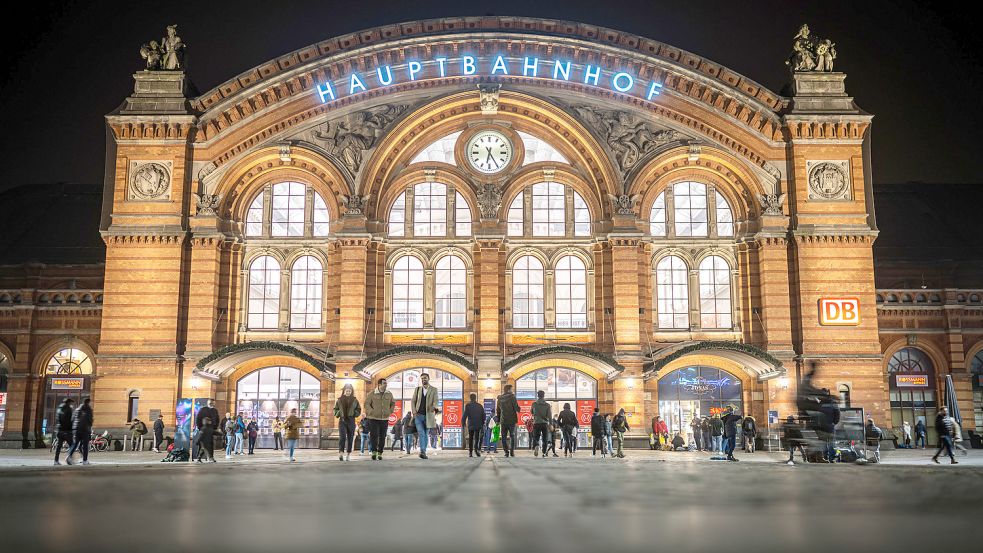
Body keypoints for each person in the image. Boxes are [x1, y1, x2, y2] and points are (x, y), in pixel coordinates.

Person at [364, 377, 395, 461]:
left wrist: (390, 411)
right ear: (379, 384)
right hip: (373, 418)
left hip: (384, 419)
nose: (386, 385)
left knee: (382, 436)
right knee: (374, 435)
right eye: (384, 383)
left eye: (386, 383)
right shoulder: (372, 393)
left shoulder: (389, 394)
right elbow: (366, 404)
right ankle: (374, 451)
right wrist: (371, 411)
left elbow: (393, 403)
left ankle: (380, 452)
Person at [410, 373, 439, 459]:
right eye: (422, 378)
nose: (423, 380)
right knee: (421, 433)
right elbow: (413, 401)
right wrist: (414, 412)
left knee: (426, 434)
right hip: (418, 416)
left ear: (428, 379)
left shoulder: (434, 390)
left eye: (425, 378)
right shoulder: (417, 389)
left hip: (429, 416)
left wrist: (434, 407)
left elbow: (436, 401)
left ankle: (424, 451)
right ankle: (422, 451)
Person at [333, 383, 361, 461]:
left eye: (349, 391)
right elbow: (335, 409)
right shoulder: (339, 400)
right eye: (347, 391)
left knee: (350, 438)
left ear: (351, 391)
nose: (348, 392)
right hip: (342, 420)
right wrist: (338, 413)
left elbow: (358, 409)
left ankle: (348, 454)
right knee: (342, 437)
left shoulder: (355, 400)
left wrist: (354, 414)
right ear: (344, 391)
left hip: (351, 420)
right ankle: (341, 453)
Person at [65, 398, 93, 465]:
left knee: (75, 444)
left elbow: (72, 419)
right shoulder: (88, 410)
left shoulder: (77, 409)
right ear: (88, 402)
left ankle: (69, 456)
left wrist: (73, 428)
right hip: (84, 430)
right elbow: (90, 421)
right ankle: (85, 460)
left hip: (76, 429)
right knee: (85, 445)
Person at [496, 384, 521, 457]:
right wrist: (519, 409)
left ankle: (506, 452)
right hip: (512, 420)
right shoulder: (512, 397)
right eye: (511, 389)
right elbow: (516, 408)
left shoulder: (500, 398)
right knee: (512, 436)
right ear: (508, 390)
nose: (512, 390)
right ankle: (512, 452)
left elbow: (498, 410)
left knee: (503, 436)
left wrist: (498, 420)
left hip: (503, 420)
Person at [461, 393, 486, 458]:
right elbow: (483, 415)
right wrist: (483, 422)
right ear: (475, 398)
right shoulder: (479, 406)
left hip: (471, 424)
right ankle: (476, 450)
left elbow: (465, 415)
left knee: (471, 438)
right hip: (478, 424)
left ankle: (470, 452)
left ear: (470, 398)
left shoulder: (468, 406)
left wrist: (463, 422)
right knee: (477, 438)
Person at [530, 390, 552, 458]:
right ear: (544, 395)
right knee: (545, 438)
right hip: (544, 424)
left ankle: (536, 445)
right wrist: (550, 424)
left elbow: (532, 412)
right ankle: (544, 452)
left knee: (536, 437)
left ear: (538, 395)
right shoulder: (547, 405)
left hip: (536, 423)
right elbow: (549, 415)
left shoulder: (534, 404)